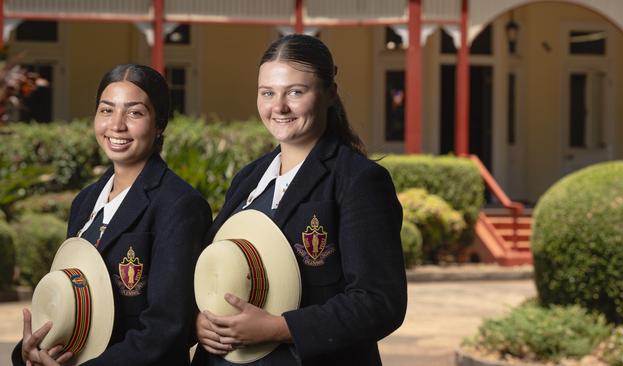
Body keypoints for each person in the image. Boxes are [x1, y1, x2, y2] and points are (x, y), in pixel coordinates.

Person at [193, 34, 407, 365]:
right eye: (267, 93)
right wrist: (200, 320)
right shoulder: (247, 179)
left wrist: (280, 328)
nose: (278, 107)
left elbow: (380, 302)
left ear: (330, 94)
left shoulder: (358, 180)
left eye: (295, 92)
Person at [13, 64, 212, 365]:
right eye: (106, 110)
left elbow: (166, 329)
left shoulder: (179, 205)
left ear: (159, 123)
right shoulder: (85, 202)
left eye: (134, 113)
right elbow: (72, 303)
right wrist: (33, 350)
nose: (116, 125)